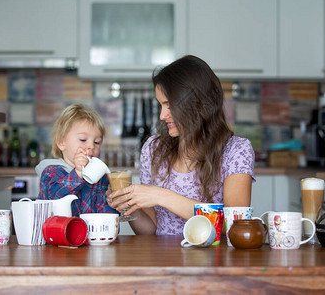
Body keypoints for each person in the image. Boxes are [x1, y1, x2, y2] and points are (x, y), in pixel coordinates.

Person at [107, 55, 255, 235]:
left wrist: (161, 196)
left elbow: (235, 225)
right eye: (161, 105)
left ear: (196, 102)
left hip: (214, 261)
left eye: (169, 105)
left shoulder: (236, 150)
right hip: (164, 260)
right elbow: (150, 230)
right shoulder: (153, 148)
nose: (162, 115)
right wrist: (131, 204)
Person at [35, 104, 117, 217]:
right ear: (61, 143)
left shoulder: (100, 177)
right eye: (83, 140)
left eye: (97, 142)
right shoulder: (51, 172)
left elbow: (107, 215)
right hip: (57, 234)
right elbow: (53, 198)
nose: (91, 146)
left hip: (91, 234)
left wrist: (112, 203)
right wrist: (78, 173)